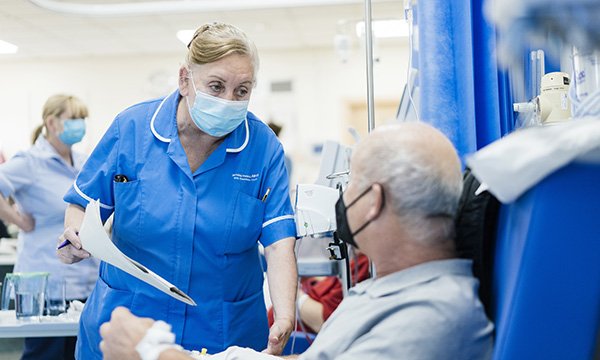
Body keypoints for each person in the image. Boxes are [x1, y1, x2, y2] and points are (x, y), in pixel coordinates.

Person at [99, 122, 494, 360]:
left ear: (372, 202)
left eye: (350, 182)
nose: (341, 197)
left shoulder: (434, 314)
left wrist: (154, 352)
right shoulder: (390, 291)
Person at [56, 22, 297, 359]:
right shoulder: (132, 129)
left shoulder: (262, 146)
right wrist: (74, 236)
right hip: (128, 324)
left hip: (223, 331)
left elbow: (278, 242)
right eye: (216, 86)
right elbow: (82, 203)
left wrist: (285, 314)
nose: (229, 100)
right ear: (185, 80)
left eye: (242, 91)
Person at [0, 94, 99, 360]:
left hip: (87, 281)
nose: (80, 124)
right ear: (52, 123)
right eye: (74, 118)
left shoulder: (83, 162)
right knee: (46, 355)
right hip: (46, 284)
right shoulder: (30, 162)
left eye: (82, 118)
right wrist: (17, 219)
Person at [267, 252, 370, 334]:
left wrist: (292, 293)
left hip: (294, 339)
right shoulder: (356, 260)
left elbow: (324, 322)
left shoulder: (363, 264)